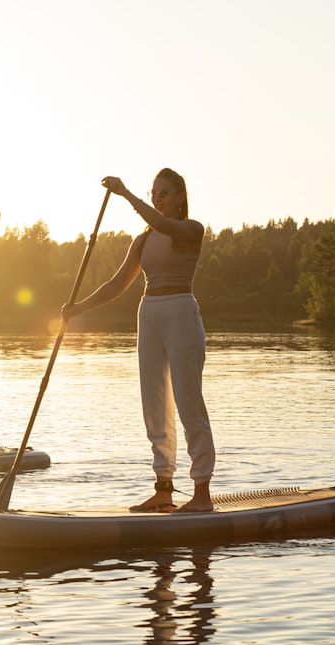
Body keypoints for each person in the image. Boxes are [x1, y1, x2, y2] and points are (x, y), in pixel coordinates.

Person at [62, 168, 216, 512]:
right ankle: (163, 489)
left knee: (189, 404)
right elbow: (117, 285)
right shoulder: (143, 240)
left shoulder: (191, 230)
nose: (157, 198)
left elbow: (163, 224)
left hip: (180, 312)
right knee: (155, 407)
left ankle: (202, 494)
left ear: (179, 197)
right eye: (154, 193)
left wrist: (126, 194)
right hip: (149, 314)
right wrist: (78, 308)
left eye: (164, 193)